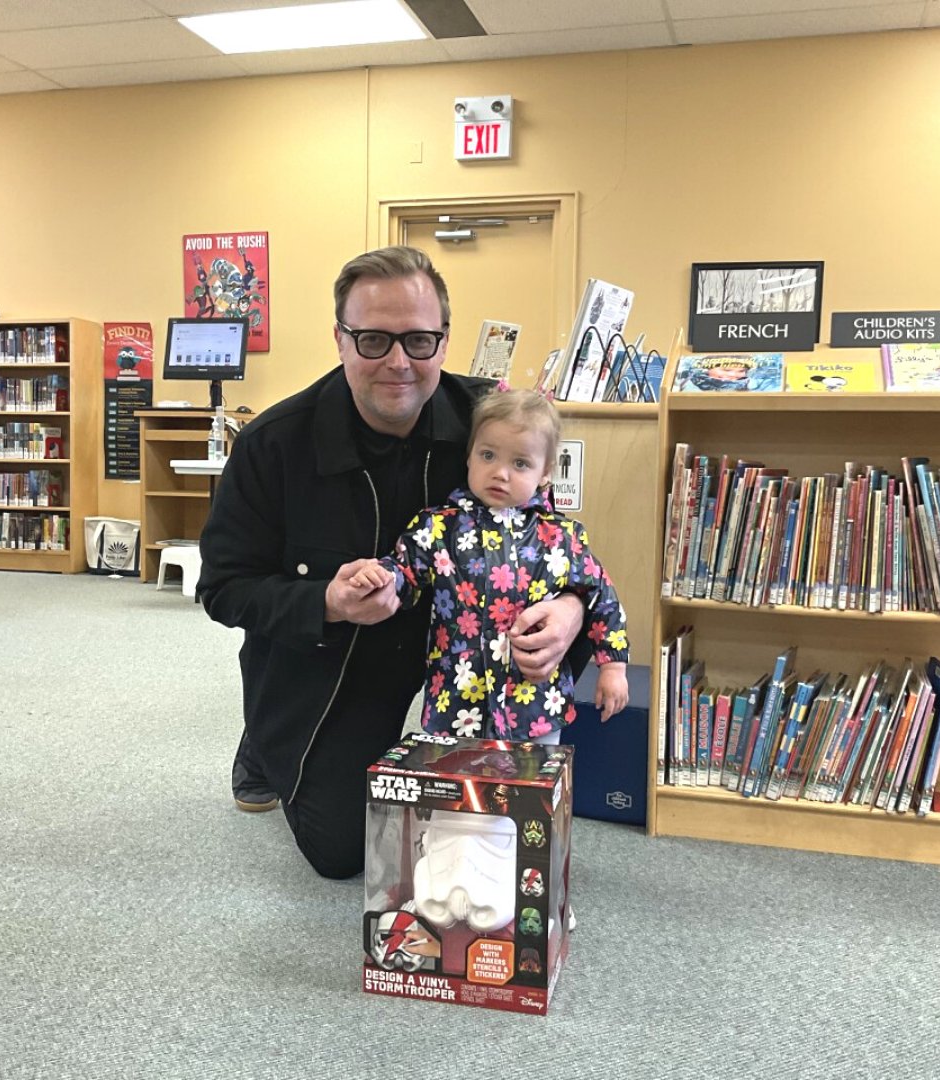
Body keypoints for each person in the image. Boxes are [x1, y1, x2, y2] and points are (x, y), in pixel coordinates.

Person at [197, 245, 586, 879]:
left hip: (468, 656)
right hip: (337, 661)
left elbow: (558, 540)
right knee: (346, 853)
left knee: (500, 815)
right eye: (373, 340)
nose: (399, 362)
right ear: (340, 340)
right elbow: (224, 587)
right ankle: (265, 744)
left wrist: (569, 608)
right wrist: (326, 600)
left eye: (419, 340)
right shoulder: (274, 444)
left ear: (444, 339)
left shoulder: (487, 420)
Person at [347, 386, 630, 743]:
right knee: (456, 793)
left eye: (520, 463)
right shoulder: (438, 526)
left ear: (546, 472)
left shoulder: (562, 536)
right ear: (469, 457)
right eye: (488, 455)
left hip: (535, 705)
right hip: (457, 700)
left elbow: (602, 597)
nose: (500, 473)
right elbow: (405, 571)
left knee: (529, 795)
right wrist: (381, 577)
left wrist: (613, 666)